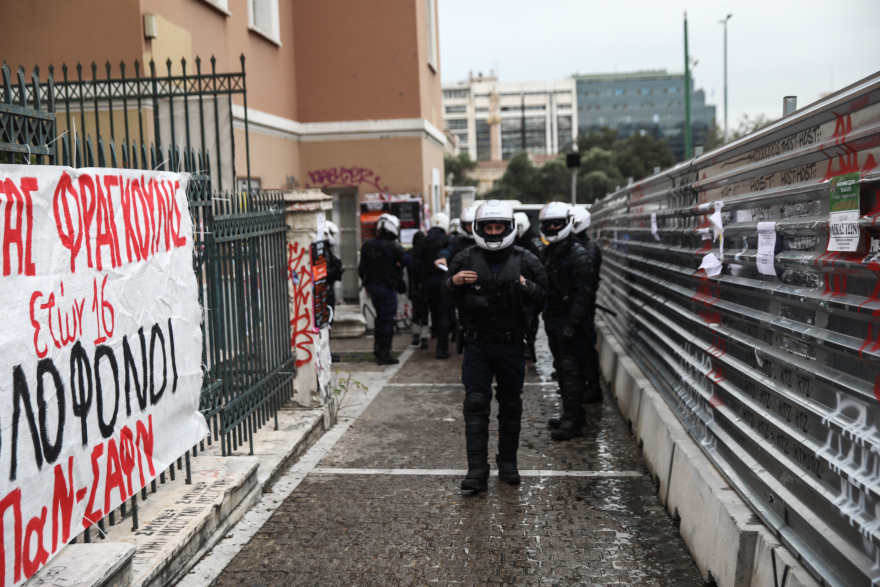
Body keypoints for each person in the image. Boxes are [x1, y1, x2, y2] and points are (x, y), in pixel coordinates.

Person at [443, 200, 548, 493]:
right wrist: (453, 281)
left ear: (507, 228)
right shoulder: (464, 257)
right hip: (477, 344)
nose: (492, 231)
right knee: (475, 404)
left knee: (511, 405)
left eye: (497, 227)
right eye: (488, 227)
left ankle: (508, 463)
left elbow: (543, 297)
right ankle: (476, 471)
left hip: (511, 344)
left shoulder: (527, 259)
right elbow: (444, 294)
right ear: (478, 229)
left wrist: (527, 286)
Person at [539, 202, 596, 441]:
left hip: (569, 320)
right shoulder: (551, 249)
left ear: (567, 223)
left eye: (557, 223)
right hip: (552, 317)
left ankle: (573, 421)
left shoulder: (577, 252)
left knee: (571, 369)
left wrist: (573, 323)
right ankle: (573, 414)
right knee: (561, 368)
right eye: (548, 224)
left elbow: (585, 292)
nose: (552, 227)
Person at [359, 213, 407, 365]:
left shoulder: (368, 245)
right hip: (387, 289)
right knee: (386, 321)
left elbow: (362, 269)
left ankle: (378, 349)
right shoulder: (394, 247)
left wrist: (368, 284)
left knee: (380, 319)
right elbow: (409, 262)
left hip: (373, 288)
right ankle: (384, 354)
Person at [571, 206, 603, 403]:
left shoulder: (587, 248)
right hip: (581, 303)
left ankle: (592, 386)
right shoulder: (581, 245)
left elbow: (586, 282)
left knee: (586, 345)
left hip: (584, 304)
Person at [413, 212, 455, 359]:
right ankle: (442, 348)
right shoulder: (448, 240)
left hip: (429, 283)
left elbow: (417, 263)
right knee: (445, 313)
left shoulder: (423, 241)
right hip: (445, 281)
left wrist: (418, 282)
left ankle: (435, 334)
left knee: (434, 311)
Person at [514, 212, 544, 363]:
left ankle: (529, 347)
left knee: (530, 317)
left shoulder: (533, 241)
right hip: (520, 284)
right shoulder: (518, 240)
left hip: (530, 285)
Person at [408, 230, 430, 349]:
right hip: (425, 286)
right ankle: (424, 337)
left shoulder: (410, 253)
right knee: (425, 311)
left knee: (416, 311)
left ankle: (416, 334)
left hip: (413, 287)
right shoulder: (426, 253)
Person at [324, 221, 344, 317]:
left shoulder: (325, 248)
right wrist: (335, 269)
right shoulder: (323, 249)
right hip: (326, 289)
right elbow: (324, 272)